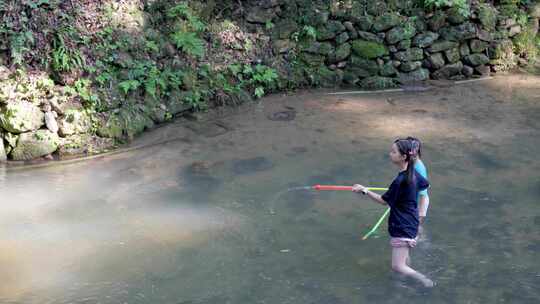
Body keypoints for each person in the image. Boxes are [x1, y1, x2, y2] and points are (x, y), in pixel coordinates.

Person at [352, 138, 434, 287]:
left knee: (397, 266)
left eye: (393, 151)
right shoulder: (414, 174)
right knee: (404, 258)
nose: (390, 154)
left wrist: (364, 190)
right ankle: (402, 282)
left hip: (402, 225)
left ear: (403, 157)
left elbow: (383, 201)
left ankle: (425, 281)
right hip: (411, 221)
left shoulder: (400, 181)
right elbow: (424, 185)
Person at [407, 136, 430, 237]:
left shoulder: (420, 169)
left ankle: (422, 240)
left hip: (419, 204)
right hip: (412, 202)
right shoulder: (410, 163)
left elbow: (423, 195)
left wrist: (420, 214)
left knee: (414, 227)